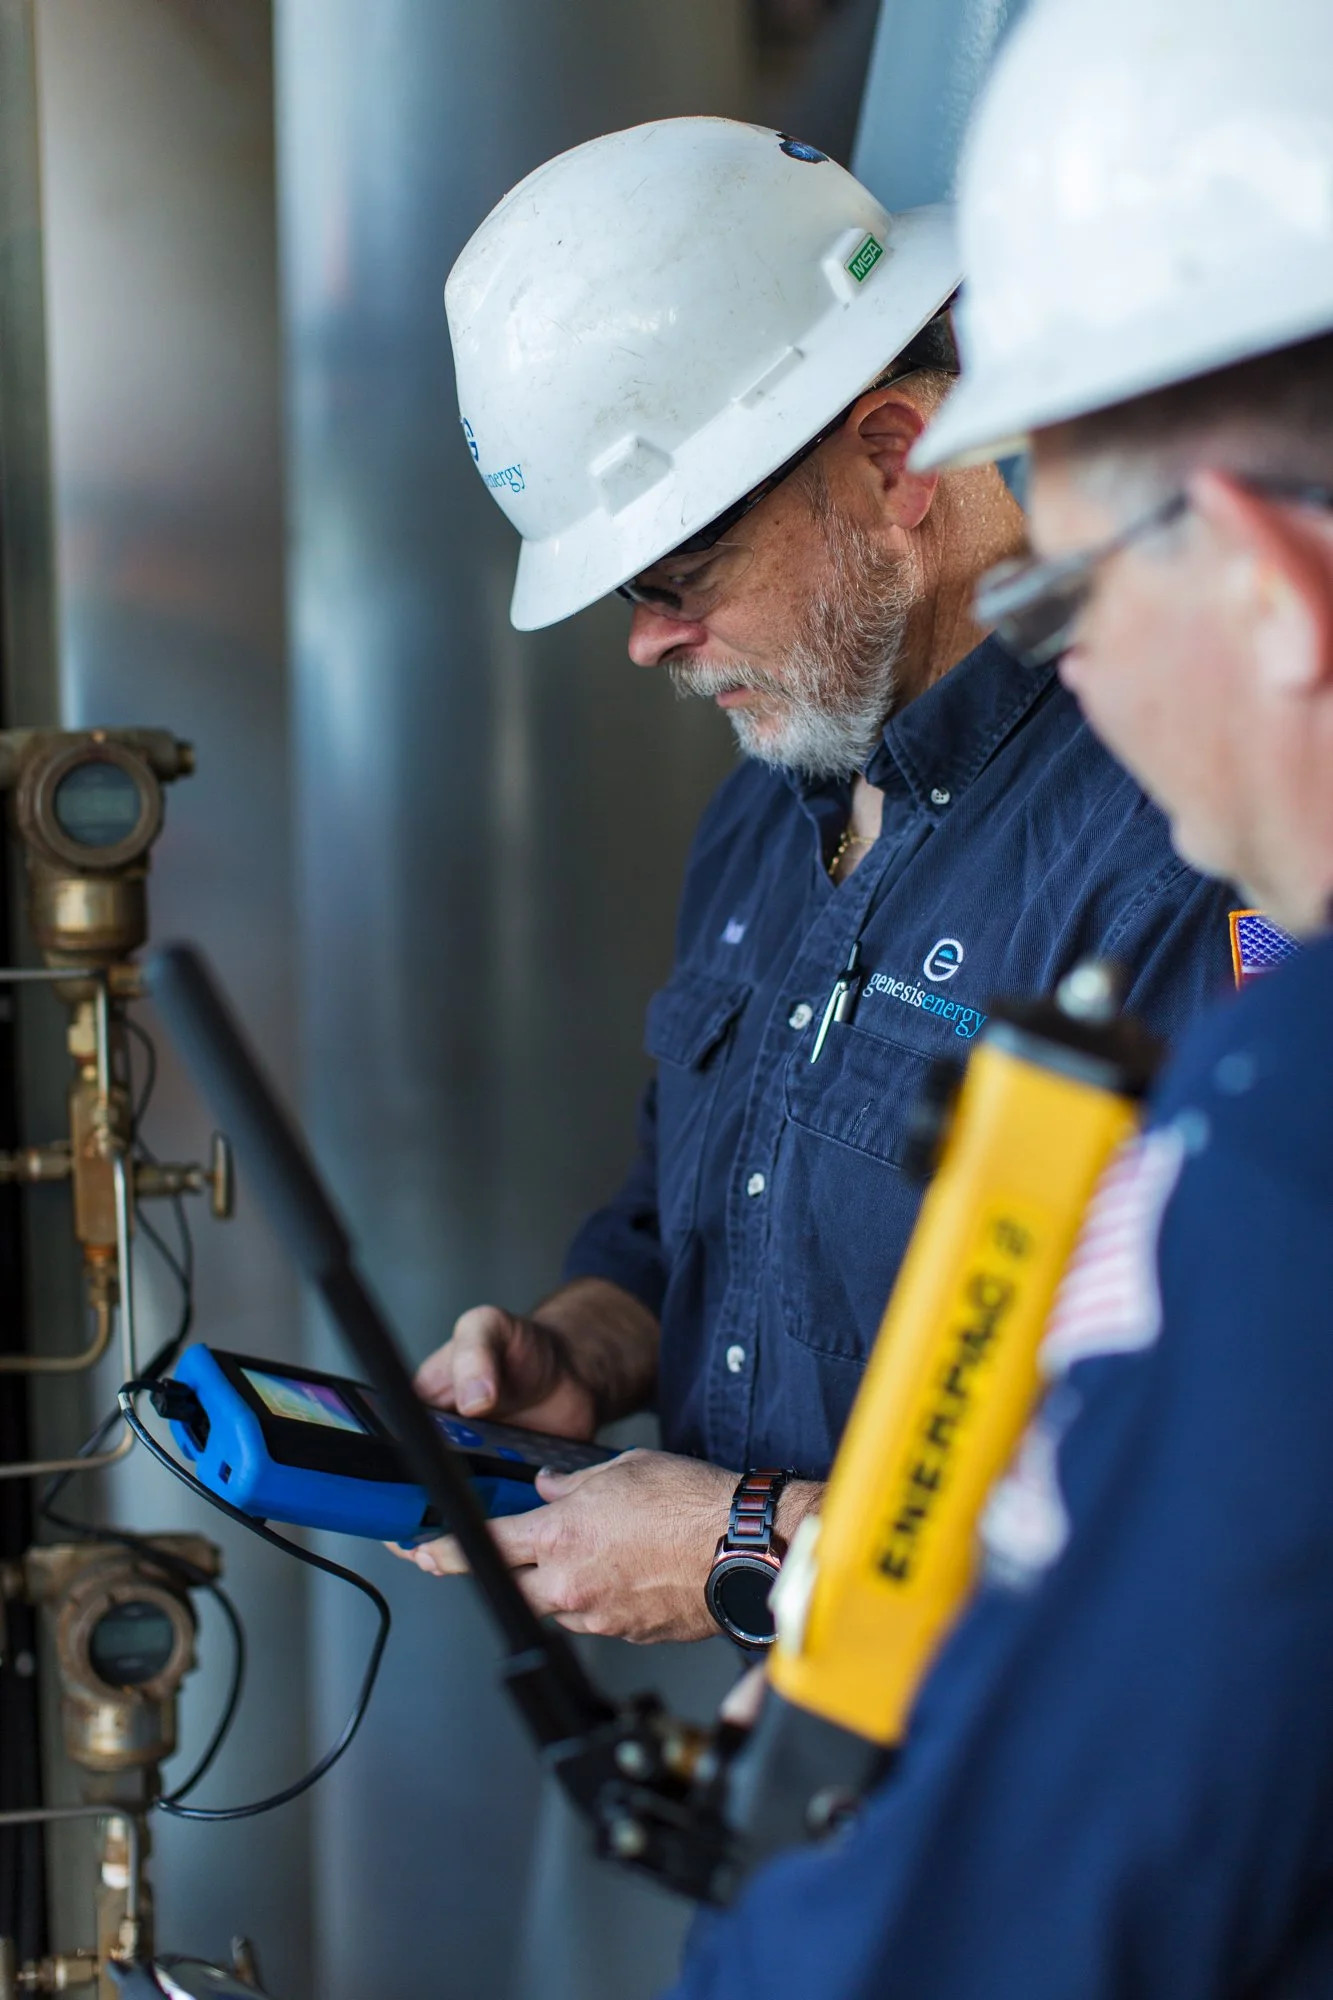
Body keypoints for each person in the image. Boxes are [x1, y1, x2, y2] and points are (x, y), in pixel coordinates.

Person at [664, 0, 1333, 1992]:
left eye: (1075, 599)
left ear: (1265, 586)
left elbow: (1038, 1900)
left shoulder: (1293, 1125)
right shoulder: (753, 833)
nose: (1086, 684)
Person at [397, 116, 1234, 1650]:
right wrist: (594, 1339)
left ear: (894, 457)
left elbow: (1211, 1488)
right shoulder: (765, 805)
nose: (645, 639)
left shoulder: (1177, 835)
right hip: (789, 1773)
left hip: (1024, 1811)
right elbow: (685, 1204)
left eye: (681, 573)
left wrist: (751, 1547)